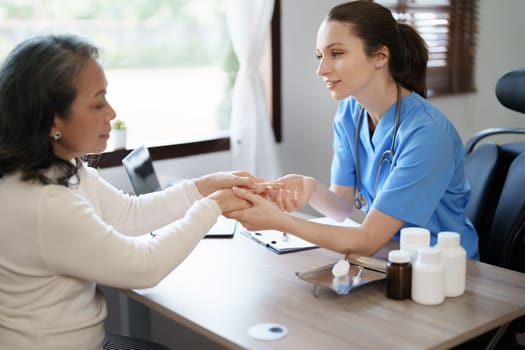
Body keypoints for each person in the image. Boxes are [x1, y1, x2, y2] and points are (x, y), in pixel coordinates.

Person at [0, 34, 259, 350]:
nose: (110, 113)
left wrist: (203, 187)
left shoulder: (62, 168)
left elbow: (128, 214)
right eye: (97, 102)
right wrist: (212, 207)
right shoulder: (42, 201)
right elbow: (144, 267)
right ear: (53, 119)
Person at [228, 1, 479, 260]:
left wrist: (281, 221)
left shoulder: (427, 134)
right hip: (390, 258)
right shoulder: (350, 113)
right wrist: (311, 188)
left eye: (336, 53)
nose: (322, 69)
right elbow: (341, 209)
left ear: (381, 56)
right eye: (320, 55)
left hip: (444, 268)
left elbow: (366, 241)